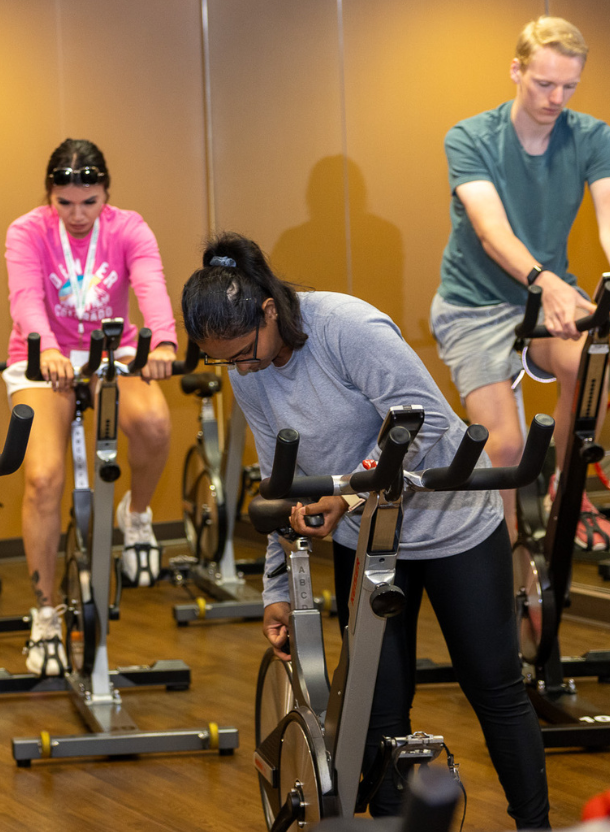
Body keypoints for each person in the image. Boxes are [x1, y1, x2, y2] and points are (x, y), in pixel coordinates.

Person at [183, 232, 548, 828]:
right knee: (378, 711)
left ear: (269, 310)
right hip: (371, 538)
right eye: (224, 360)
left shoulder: (345, 327)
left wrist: (346, 494)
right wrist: (277, 590)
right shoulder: (245, 373)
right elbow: (282, 483)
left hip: (453, 522)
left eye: (245, 351)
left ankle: (537, 826)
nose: (240, 368)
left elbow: (421, 422)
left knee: (495, 688)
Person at [430, 16, 610, 550]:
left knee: (589, 360)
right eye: (544, 83)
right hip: (474, 305)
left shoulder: (593, 136)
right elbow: (491, 232)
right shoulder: (470, 137)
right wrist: (548, 281)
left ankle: (571, 490)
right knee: (505, 449)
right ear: (516, 71)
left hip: (547, 298)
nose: (556, 97)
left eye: (569, 86)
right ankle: (503, 548)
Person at [1, 139, 178, 676]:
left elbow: (150, 284)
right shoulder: (26, 231)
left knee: (152, 420)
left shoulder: (129, 228)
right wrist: (47, 348)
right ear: (50, 197)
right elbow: (25, 297)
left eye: (90, 202)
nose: (77, 215)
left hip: (110, 351)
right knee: (44, 479)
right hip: (41, 357)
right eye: (65, 203)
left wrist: (163, 342)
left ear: (106, 196)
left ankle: (138, 515)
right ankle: (45, 614)